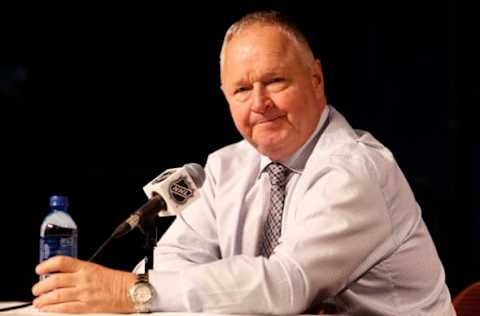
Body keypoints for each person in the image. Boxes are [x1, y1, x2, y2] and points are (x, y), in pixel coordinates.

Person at [32, 10, 456, 315]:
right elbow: (177, 261)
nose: (260, 104)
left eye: (275, 81)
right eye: (241, 90)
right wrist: (127, 291)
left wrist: (133, 291)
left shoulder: (354, 170)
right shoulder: (224, 168)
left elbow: (287, 286)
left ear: (316, 80)